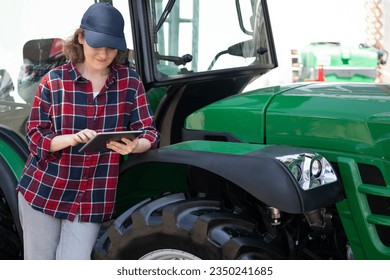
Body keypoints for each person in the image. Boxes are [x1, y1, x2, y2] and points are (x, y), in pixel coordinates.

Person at [16, 3, 159, 260]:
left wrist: (136, 146)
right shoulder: (54, 81)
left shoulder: (130, 82)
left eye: (112, 48)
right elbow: (35, 135)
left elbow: (149, 131)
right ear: (81, 38)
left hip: (92, 195)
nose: (104, 55)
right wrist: (69, 139)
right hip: (44, 190)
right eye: (97, 46)